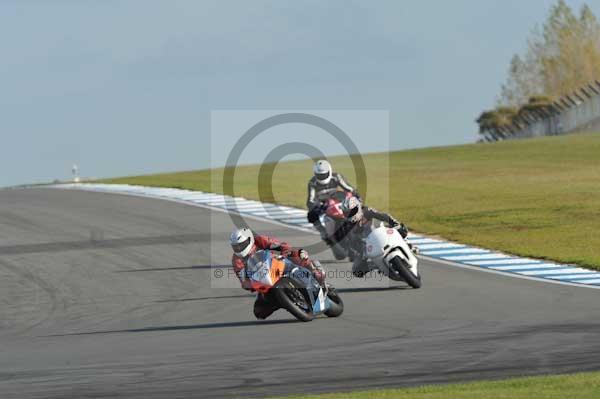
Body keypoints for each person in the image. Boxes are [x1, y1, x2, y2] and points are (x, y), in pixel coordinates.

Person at [230, 227, 326, 319]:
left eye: (241, 245)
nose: (239, 248)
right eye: (236, 247)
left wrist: (285, 254)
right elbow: (243, 280)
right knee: (259, 312)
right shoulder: (236, 260)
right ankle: (286, 302)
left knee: (297, 253)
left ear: (250, 239)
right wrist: (249, 285)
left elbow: (282, 245)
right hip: (264, 280)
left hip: (278, 265)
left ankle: (314, 270)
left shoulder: (260, 240)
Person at [340, 196, 417, 277]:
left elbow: (383, 216)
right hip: (368, 245)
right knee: (356, 270)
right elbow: (352, 243)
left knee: (402, 229)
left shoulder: (367, 211)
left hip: (382, 233)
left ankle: (408, 243)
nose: (350, 214)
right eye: (347, 213)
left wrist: (395, 223)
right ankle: (377, 266)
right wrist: (357, 252)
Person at [306, 160, 359, 242]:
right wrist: (314, 206)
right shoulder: (312, 183)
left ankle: (358, 224)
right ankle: (322, 231)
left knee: (357, 206)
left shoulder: (337, 177)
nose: (322, 177)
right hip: (324, 205)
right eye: (320, 175)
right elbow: (310, 200)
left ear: (329, 171)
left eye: (324, 175)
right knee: (311, 215)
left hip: (339, 202)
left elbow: (349, 188)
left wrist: (356, 196)